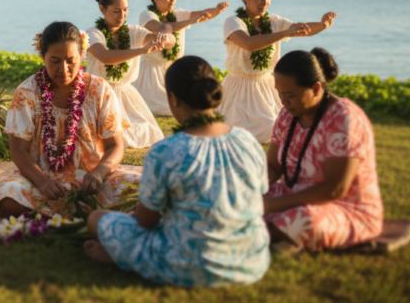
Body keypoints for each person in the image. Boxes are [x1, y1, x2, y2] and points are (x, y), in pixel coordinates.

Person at [85, 56, 271, 287]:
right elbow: (259, 200)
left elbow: (146, 221)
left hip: (186, 264)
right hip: (250, 260)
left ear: (172, 99)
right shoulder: (248, 141)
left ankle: (118, 256)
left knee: (97, 219)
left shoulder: (165, 151)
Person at [0, 21, 140, 217]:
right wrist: (42, 182)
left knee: (140, 188)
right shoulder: (27, 92)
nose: (64, 69)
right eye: (55, 60)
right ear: (42, 57)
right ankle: (88, 215)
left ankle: (57, 217)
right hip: (42, 179)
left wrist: (99, 173)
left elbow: (115, 146)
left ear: (82, 55)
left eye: (70, 60)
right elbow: (18, 150)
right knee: (8, 196)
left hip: (93, 182)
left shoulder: (99, 89)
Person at [263, 48, 383, 252]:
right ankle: (267, 233)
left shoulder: (344, 118)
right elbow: (273, 166)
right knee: (236, 200)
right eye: (279, 93)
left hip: (343, 207)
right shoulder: (287, 114)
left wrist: (274, 205)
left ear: (316, 88)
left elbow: (335, 189)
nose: (283, 101)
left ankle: (253, 237)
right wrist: (249, 189)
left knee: (304, 219)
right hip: (291, 196)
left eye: (289, 95)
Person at [219, 0, 337, 143]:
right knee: (241, 131)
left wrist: (322, 24)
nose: (264, 3)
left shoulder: (274, 22)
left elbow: (301, 29)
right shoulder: (233, 22)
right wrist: (284, 33)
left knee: (277, 126)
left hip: (267, 86)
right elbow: (249, 43)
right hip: (239, 87)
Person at [84, 0, 174, 149]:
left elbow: (170, 41)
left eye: (125, 9)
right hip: (99, 94)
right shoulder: (93, 33)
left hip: (126, 95)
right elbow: (105, 57)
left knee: (145, 131)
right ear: (102, 9)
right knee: (112, 136)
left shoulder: (133, 31)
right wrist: (141, 50)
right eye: (116, 10)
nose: (122, 15)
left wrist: (164, 38)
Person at [135, 0, 229, 116]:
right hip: (153, 74)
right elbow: (161, 28)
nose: (172, 0)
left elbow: (202, 15)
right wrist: (191, 21)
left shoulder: (178, 15)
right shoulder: (147, 15)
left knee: (192, 100)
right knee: (172, 107)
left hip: (175, 70)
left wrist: (217, 10)